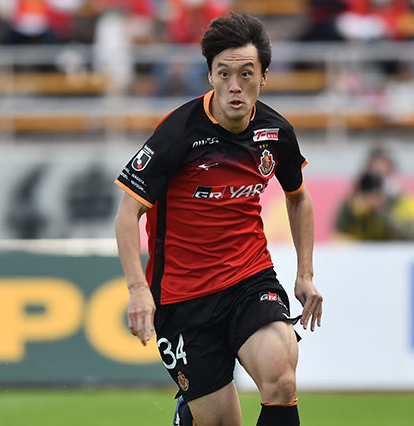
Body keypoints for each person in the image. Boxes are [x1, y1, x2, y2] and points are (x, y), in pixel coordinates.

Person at [113, 13, 322, 426]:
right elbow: (127, 213)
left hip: (249, 279)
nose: (234, 86)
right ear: (210, 76)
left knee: (281, 377)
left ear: (264, 77)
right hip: (182, 297)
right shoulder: (178, 133)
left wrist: (305, 274)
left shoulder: (276, 132)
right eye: (224, 73)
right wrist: (138, 290)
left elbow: (298, 198)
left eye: (246, 74)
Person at [334, 147, 414, 242]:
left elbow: (410, 235)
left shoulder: (408, 203)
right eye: (374, 174)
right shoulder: (357, 203)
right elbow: (340, 228)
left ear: (392, 173)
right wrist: (351, 205)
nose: (378, 181)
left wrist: (381, 210)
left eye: (383, 173)